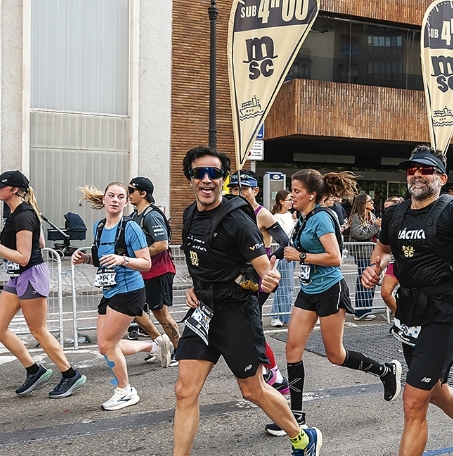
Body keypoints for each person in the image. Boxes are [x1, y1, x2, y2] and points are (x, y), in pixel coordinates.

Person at [360, 145, 453, 456]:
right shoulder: (394, 213)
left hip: (442, 316)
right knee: (436, 391)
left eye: (426, 169)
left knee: (414, 401)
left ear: (441, 178)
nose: (417, 174)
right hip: (409, 315)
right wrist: (373, 268)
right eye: (411, 169)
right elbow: (383, 249)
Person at [173, 146, 321, 456]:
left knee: (252, 389)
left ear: (223, 179)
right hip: (204, 312)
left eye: (214, 173)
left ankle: (302, 438)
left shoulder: (237, 220)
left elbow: (263, 270)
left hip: (236, 313)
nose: (206, 179)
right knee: (184, 391)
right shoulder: (188, 214)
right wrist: (196, 288)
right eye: (200, 172)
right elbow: (201, 261)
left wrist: (269, 278)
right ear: (190, 178)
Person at [266, 167, 401, 438]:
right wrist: (276, 255)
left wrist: (300, 257)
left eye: (297, 191)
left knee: (335, 355)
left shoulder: (322, 219)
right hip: (308, 290)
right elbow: (295, 245)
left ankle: (385, 371)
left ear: (312, 195)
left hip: (330, 289)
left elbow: (335, 258)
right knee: (292, 350)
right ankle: (296, 417)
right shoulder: (303, 216)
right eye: (291, 190)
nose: (292, 195)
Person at [0, 171, 87, 399]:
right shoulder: (18, 211)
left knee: (38, 330)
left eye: (0, 186)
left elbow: (24, 257)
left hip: (30, 274)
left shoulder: (24, 215)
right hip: (18, 276)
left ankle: (70, 374)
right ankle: (34, 370)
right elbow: (41, 242)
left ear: (14, 189)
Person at [73, 182, 155, 411]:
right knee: (105, 346)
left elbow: (146, 263)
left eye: (121, 197)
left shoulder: (130, 228)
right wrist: (86, 259)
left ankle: (125, 390)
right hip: (109, 290)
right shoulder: (99, 227)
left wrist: (123, 260)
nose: (116, 200)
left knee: (108, 344)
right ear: (105, 199)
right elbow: (100, 260)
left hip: (129, 291)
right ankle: (153, 346)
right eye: (112, 196)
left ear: (126, 202)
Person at [226, 171, 291, 394]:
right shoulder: (231, 211)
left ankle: (273, 372)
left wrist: (272, 260)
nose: (238, 193)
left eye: (243, 189)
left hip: (257, 277)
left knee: (249, 324)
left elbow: (285, 242)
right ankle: (266, 369)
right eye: (234, 189)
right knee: (243, 325)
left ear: (255, 191)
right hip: (235, 275)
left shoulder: (262, 214)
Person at [127, 177, 181, 368]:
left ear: (143, 194)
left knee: (161, 314)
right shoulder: (135, 216)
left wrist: (137, 256)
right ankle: (161, 344)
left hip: (159, 270)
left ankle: (181, 351)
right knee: (135, 310)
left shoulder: (151, 216)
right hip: (143, 271)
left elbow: (162, 244)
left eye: (131, 190)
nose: (128, 193)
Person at [347, 193, 381, 320]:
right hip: (363, 254)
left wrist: (378, 227)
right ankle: (361, 311)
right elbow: (360, 233)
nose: (372, 202)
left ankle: (367, 309)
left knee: (371, 281)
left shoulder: (372, 216)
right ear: (363, 203)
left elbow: (376, 233)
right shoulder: (357, 217)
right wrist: (376, 226)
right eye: (369, 201)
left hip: (372, 253)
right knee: (364, 281)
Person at [270, 190, 296, 327]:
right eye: (288, 200)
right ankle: (276, 315)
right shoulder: (276, 217)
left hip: (291, 252)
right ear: (281, 201)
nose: (291, 202)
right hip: (283, 253)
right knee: (284, 285)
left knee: (289, 286)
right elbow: (282, 236)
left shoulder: (290, 216)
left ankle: (284, 315)